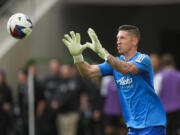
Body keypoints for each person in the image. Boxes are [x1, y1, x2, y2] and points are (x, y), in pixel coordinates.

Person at [62, 25, 167, 135]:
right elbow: (87, 72)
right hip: (133, 127)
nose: (118, 42)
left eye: (122, 38)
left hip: (151, 124)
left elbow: (127, 68)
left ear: (134, 41)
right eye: (117, 38)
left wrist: (103, 53)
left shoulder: (143, 59)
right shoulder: (115, 63)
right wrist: (77, 56)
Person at [155, 54, 180, 135]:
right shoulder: (178, 75)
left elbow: (155, 92)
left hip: (164, 109)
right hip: (177, 108)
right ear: (173, 63)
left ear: (162, 64)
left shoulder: (159, 76)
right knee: (175, 130)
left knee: (165, 130)